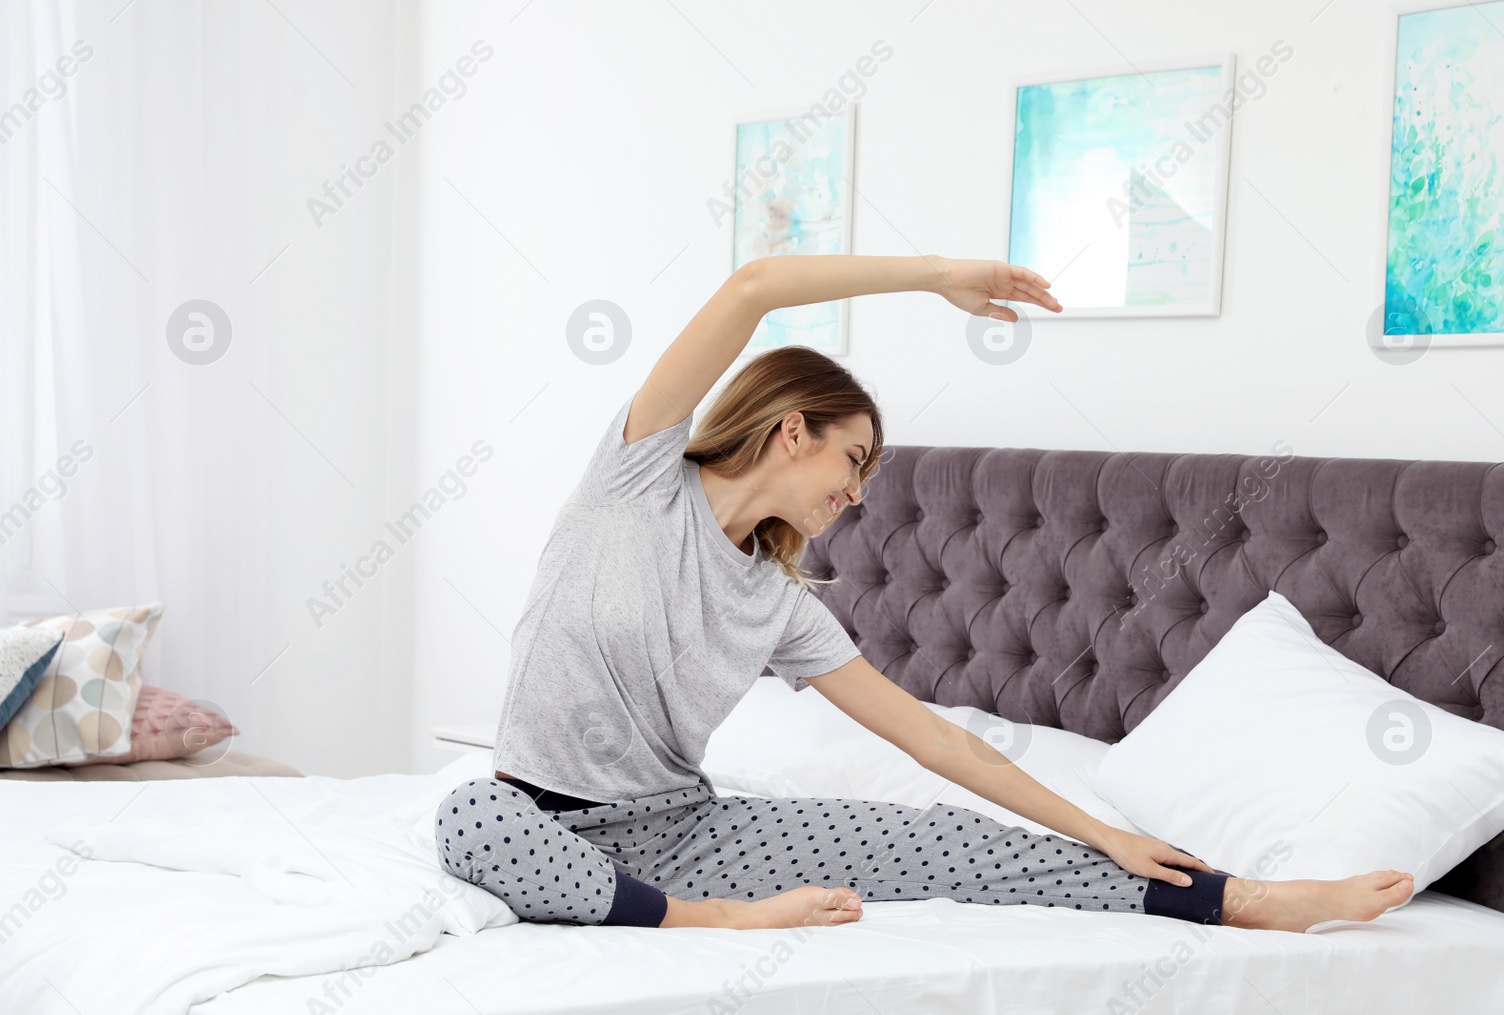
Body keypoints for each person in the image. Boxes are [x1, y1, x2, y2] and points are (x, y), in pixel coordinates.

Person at [435, 254, 1416, 932]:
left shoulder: (780, 604)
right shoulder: (636, 479)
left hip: (684, 830)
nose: (858, 494)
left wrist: (1102, 830)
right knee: (469, 819)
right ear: (790, 431)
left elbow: (932, 738)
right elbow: (756, 285)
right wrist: (940, 276)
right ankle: (719, 923)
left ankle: (1237, 899)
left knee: (950, 843)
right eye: (852, 460)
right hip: (539, 816)